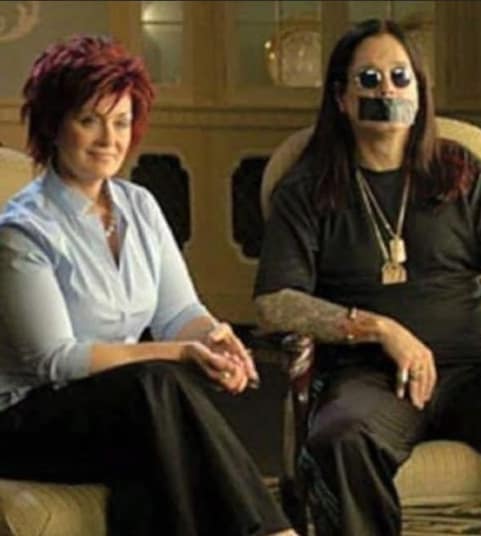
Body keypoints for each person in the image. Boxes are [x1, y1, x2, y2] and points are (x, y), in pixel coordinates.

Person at [254, 18, 481, 536]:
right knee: (341, 439)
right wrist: (380, 329)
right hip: (370, 378)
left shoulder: (462, 173)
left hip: (473, 371)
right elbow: (275, 301)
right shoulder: (307, 187)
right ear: (342, 98)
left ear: (419, 91)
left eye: (401, 77)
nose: (387, 90)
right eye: (369, 79)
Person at [0, 35, 296, 536]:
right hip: (27, 422)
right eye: (89, 120)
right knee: (157, 385)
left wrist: (214, 337)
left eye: (120, 122)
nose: (108, 139)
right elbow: (55, 359)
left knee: (159, 438)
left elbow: (178, 312)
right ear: (53, 125)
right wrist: (178, 353)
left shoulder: (139, 206)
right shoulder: (23, 231)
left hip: (124, 409)